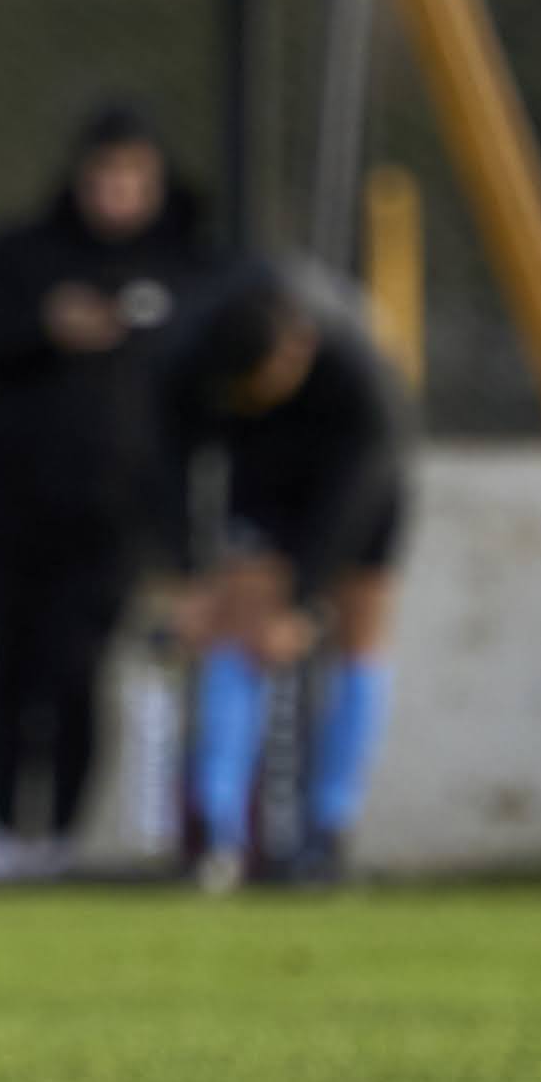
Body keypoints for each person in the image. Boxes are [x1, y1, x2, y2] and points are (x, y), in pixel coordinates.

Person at [0, 104, 211, 880]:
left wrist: (180, 538)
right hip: (9, 509)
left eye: (132, 177)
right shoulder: (22, 256)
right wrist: (41, 327)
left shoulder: (185, 268)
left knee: (74, 671)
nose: (115, 193)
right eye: (102, 175)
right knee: (7, 669)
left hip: (112, 521)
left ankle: (57, 833)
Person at [157, 265, 409, 889]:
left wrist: (301, 605)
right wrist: (187, 576)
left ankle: (329, 827)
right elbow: (163, 462)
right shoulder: (197, 353)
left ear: (296, 350)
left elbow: (362, 487)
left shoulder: (360, 376)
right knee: (239, 625)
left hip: (362, 487)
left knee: (360, 628)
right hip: (268, 480)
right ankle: (219, 832)